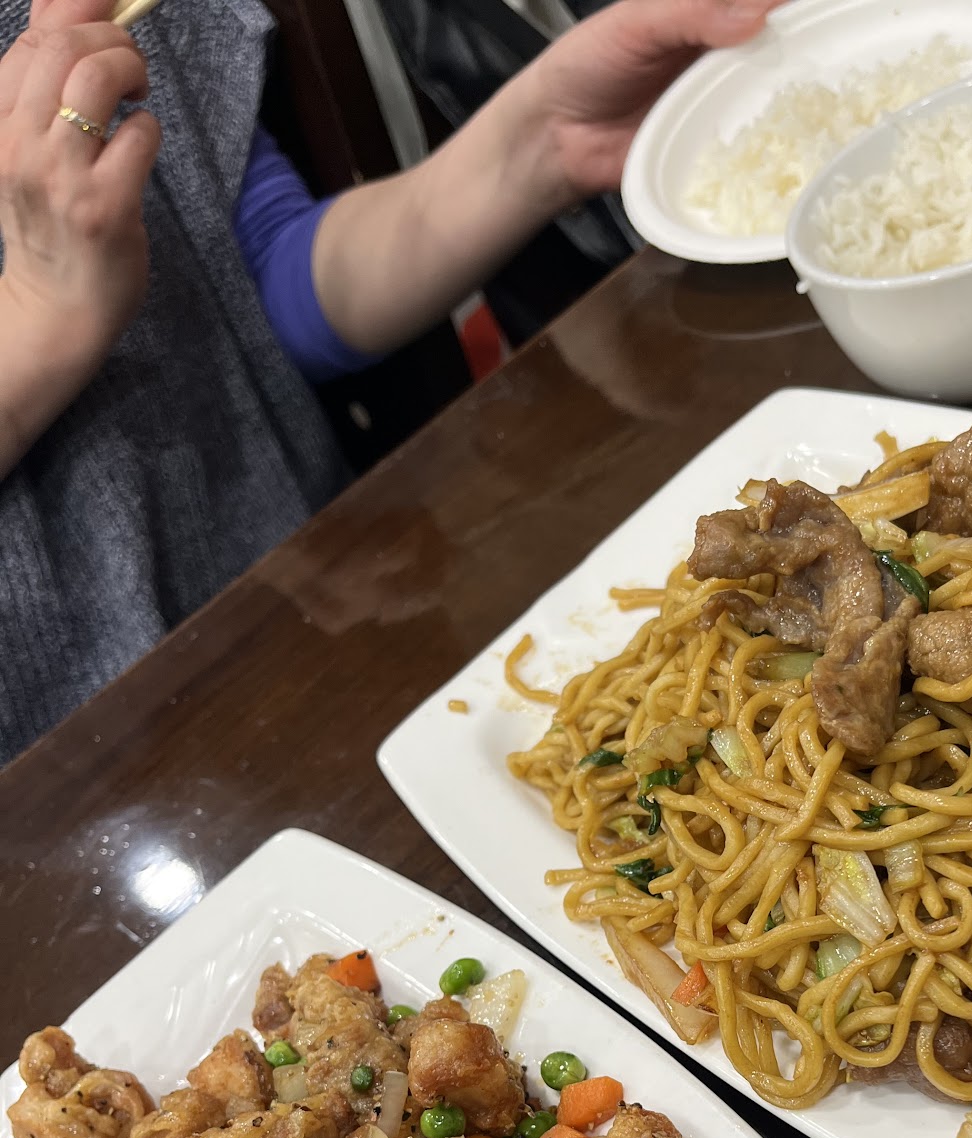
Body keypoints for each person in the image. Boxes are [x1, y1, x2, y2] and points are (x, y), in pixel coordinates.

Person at [0, 0, 777, 762]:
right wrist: (38, 312)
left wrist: (542, 140)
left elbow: (244, 289)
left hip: (302, 631)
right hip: (63, 779)